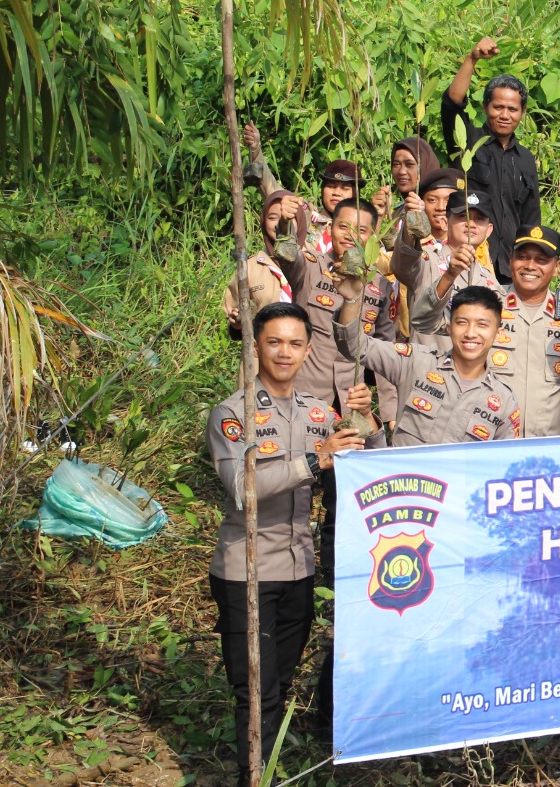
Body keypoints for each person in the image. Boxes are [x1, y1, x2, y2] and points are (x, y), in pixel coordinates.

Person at [204, 302, 370, 787]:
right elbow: (242, 488)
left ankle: (267, 757)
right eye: (274, 342)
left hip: (299, 569)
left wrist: (368, 426)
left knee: (275, 680)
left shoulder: (319, 414)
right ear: (255, 346)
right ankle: (255, 776)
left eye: (295, 344)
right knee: (256, 690)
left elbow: (360, 465)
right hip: (247, 570)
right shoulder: (234, 414)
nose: (284, 353)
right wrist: (317, 461)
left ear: (307, 350)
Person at [334, 283, 523, 445]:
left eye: (482, 325)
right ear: (449, 328)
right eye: (462, 322)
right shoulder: (416, 362)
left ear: (498, 333)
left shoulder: (504, 401)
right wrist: (352, 299)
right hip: (404, 485)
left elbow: (503, 468)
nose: (471, 333)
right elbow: (355, 347)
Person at [274, 197, 398, 412]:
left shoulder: (381, 284)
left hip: (350, 402)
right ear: (330, 229)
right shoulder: (310, 266)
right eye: (343, 227)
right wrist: (285, 224)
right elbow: (288, 256)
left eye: (361, 230)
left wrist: (390, 412)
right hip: (302, 396)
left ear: (371, 237)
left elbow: (385, 351)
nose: (351, 236)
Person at [441, 37, 541, 284]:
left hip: (508, 271)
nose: (505, 115)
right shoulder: (466, 140)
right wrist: (472, 58)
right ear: (486, 106)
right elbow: (451, 104)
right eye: (498, 107)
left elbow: (530, 220)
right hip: (465, 260)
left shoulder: (526, 159)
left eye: (513, 109)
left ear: (522, 112)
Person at [491, 225, 560, 437]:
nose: (530, 266)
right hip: (490, 442)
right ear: (511, 259)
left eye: (541, 260)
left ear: (557, 267)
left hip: (543, 447)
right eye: (523, 257)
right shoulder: (489, 307)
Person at [393, 188, 501, 348]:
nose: (471, 224)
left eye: (479, 219)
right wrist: (411, 223)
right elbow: (404, 261)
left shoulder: (491, 282)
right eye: (463, 216)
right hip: (428, 369)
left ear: (489, 230)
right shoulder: (426, 260)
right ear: (445, 221)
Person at [241, 122, 359, 256]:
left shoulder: (362, 225)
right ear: (323, 189)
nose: (336, 193)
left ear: (355, 194)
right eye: (331, 186)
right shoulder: (305, 213)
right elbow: (273, 190)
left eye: (344, 188)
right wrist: (256, 149)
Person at [223, 190, 301, 337]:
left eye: (288, 218)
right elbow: (234, 328)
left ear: (301, 221)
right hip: (260, 356)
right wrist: (237, 323)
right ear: (264, 222)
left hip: (307, 357)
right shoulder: (250, 267)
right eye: (273, 217)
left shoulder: (316, 264)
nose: (280, 223)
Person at [370, 137, 441, 249]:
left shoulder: (439, 208)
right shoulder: (399, 211)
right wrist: (378, 215)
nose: (402, 171)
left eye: (409, 164)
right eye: (396, 164)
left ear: (424, 166)